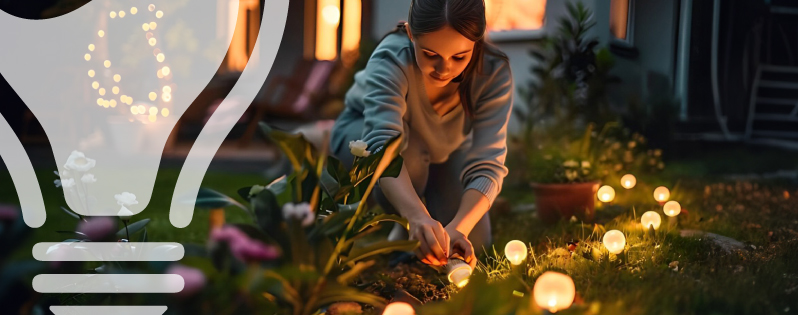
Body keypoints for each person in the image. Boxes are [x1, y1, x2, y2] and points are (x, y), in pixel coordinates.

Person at [329, 0, 513, 269]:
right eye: (430, 54)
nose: (444, 69)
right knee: (410, 155)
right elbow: (382, 147)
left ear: (477, 41)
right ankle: (403, 226)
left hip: (443, 148)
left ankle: (414, 230)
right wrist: (416, 217)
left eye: (460, 57)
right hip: (362, 140)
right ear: (411, 34)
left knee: (476, 240)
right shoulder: (392, 57)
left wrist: (459, 228)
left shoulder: (493, 70)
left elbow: (488, 164)